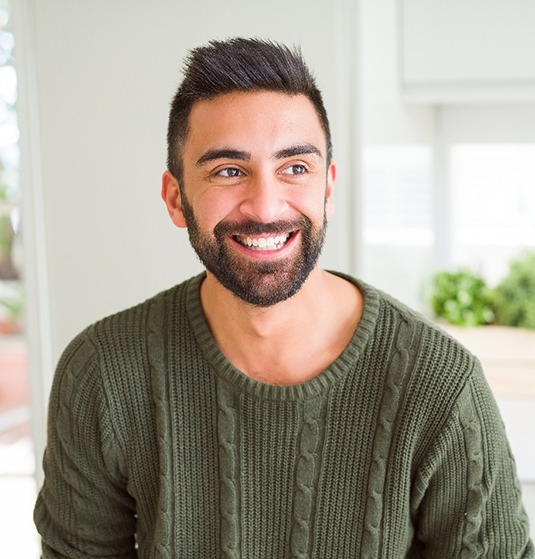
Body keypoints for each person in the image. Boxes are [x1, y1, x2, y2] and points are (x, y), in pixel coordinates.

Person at [34, 37, 533, 558]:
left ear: (328, 189)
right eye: (228, 170)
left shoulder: (441, 387)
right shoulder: (102, 373)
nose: (267, 205)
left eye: (295, 167)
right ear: (176, 197)